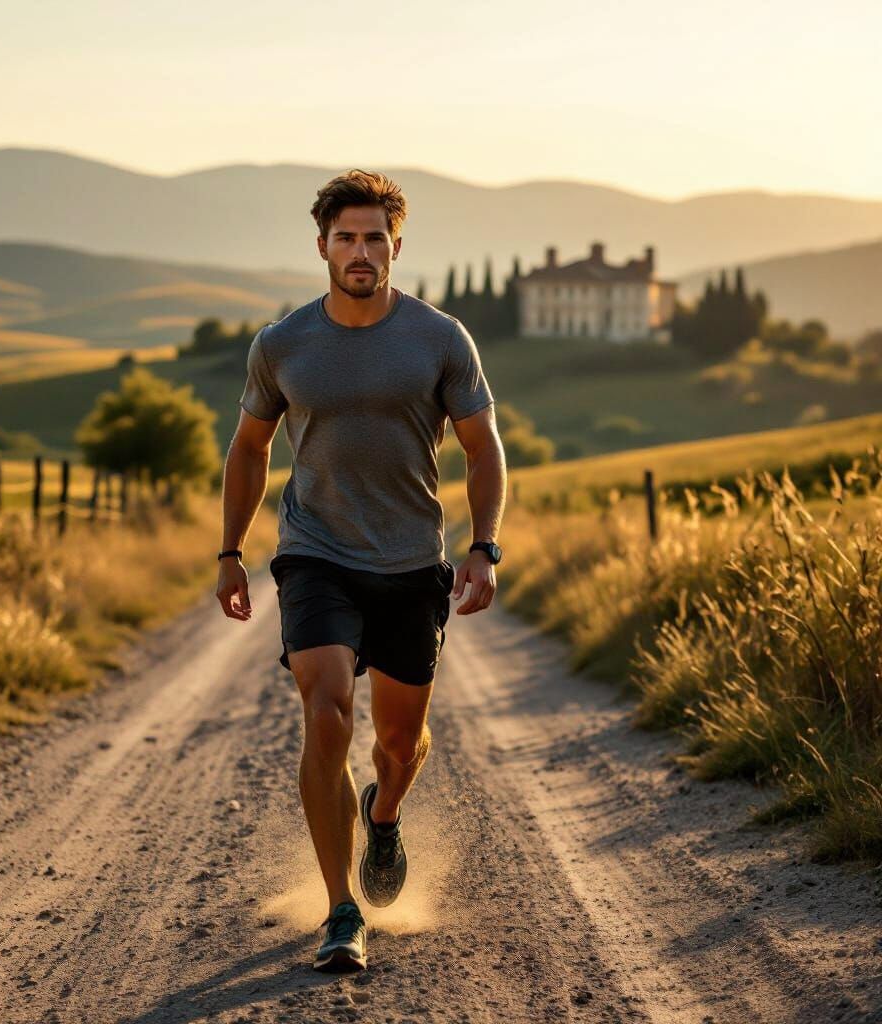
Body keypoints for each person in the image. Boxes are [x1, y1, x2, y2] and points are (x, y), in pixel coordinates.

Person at [216, 169, 506, 973]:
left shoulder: (441, 337)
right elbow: (248, 450)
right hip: (315, 556)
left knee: (401, 745)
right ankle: (342, 910)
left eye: (375, 236)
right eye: (345, 237)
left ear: (396, 246)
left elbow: (484, 450)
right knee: (327, 708)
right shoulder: (282, 344)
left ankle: (384, 815)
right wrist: (230, 552)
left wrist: (483, 546)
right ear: (322, 247)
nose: (360, 251)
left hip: (413, 563)